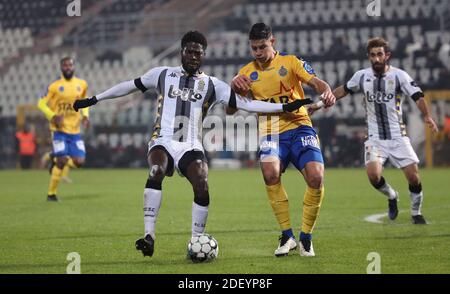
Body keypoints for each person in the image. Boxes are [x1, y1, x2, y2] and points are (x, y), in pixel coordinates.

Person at [72, 31, 312, 258]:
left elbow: (246, 104)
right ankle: (149, 235)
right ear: (181, 52)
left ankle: (196, 241)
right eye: (189, 52)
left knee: (202, 183)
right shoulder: (162, 74)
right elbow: (128, 86)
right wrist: (96, 99)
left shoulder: (212, 84)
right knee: (156, 170)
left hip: (191, 145)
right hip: (162, 141)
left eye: (198, 53)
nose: (193, 56)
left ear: (203, 55)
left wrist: (283, 107)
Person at [230, 23, 336, 257]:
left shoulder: (291, 62)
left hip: (300, 128)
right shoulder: (246, 73)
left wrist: (326, 93)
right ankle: (287, 236)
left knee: (316, 177)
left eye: (262, 47)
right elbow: (230, 111)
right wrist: (234, 91)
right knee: (270, 173)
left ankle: (306, 238)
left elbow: (318, 84)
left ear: (273, 42)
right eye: (254, 48)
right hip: (270, 132)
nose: (258, 52)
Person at [309, 37, 439, 224]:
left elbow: (417, 96)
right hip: (375, 137)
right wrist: (318, 105)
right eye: (372, 55)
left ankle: (416, 212)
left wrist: (427, 116)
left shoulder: (399, 76)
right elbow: (342, 91)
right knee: (373, 175)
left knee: (413, 177)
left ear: (387, 55)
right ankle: (392, 195)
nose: (376, 59)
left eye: (379, 54)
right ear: (368, 57)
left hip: (398, 136)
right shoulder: (362, 76)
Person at [37, 57, 90, 202]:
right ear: (61, 68)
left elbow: (84, 103)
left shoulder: (82, 84)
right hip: (59, 130)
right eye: (65, 65)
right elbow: (41, 103)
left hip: (75, 131)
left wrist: (85, 116)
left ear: (74, 67)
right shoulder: (54, 86)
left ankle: (53, 157)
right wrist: (53, 115)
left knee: (79, 162)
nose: (68, 67)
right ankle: (51, 194)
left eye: (70, 65)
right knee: (62, 160)